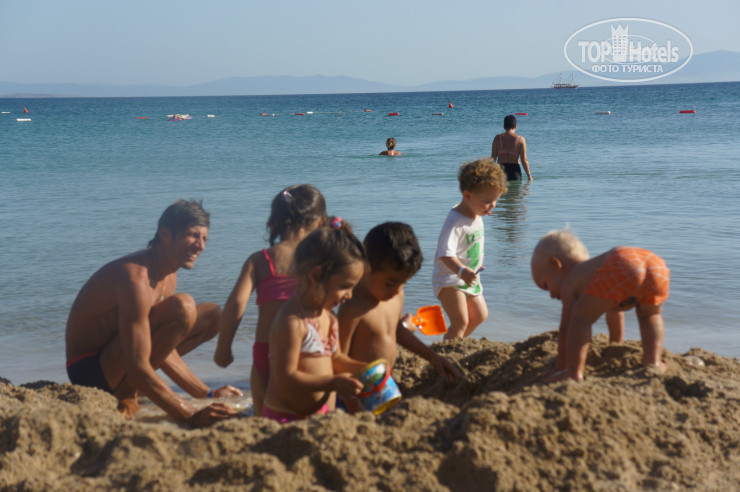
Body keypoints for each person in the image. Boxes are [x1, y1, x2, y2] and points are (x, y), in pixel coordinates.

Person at [65, 200, 242, 428]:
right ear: (165, 234)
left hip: (124, 357)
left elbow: (158, 342)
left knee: (213, 316)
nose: (200, 246)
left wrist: (206, 394)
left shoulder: (168, 273)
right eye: (192, 236)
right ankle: (125, 393)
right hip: (91, 372)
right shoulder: (136, 279)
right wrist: (190, 414)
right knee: (183, 307)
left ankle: (130, 390)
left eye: (204, 239)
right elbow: (137, 363)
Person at [215, 184, 327, 417]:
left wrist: (223, 348)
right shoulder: (323, 257)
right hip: (311, 346)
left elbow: (237, 303)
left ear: (274, 222)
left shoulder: (260, 260)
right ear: (319, 221)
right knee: (316, 412)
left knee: (265, 415)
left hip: (267, 350)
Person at [337, 222, 461, 412]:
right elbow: (338, 361)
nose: (396, 291)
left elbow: (397, 331)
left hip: (385, 386)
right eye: (390, 283)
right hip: (357, 393)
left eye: (403, 283)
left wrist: (432, 357)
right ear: (366, 267)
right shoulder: (353, 308)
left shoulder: (395, 294)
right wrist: (353, 403)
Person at [262, 217, 367, 423]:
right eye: (345, 286)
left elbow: (337, 360)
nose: (350, 295)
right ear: (316, 275)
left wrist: (366, 369)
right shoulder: (292, 322)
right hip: (285, 417)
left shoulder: (330, 318)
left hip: (320, 415)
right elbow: (286, 377)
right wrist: (332, 383)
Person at [530, 229, 669, 382]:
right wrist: (615, 344)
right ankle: (653, 362)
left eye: (546, 285)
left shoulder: (570, 283)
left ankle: (572, 372)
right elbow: (615, 311)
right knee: (650, 315)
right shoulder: (599, 271)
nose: (550, 295)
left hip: (623, 260)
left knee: (580, 319)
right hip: (655, 264)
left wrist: (560, 367)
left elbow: (565, 328)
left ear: (555, 265)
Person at [432, 158, 508, 339]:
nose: (493, 206)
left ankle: (456, 343)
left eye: (496, 200)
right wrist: (461, 270)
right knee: (460, 321)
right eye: (488, 201)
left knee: (480, 315)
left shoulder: (477, 214)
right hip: (449, 279)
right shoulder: (455, 220)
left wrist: (468, 273)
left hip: (470, 278)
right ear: (467, 196)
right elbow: (444, 253)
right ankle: (447, 350)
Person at [491, 115, 533, 181]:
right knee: (515, 188)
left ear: (504, 126)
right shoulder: (520, 139)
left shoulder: (497, 138)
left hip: (500, 171)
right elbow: (524, 160)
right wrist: (529, 175)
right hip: (515, 172)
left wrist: (489, 173)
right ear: (515, 126)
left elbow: (493, 157)